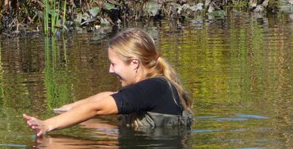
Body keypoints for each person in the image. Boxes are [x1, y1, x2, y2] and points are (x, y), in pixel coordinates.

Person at [23, 28, 193, 137]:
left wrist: (47, 125)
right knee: (90, 123)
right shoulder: (157, 85)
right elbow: (108, 96)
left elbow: (97, 107)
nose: (110, 70)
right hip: (146, 141)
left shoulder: (152, 88)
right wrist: (70, 107)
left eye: (114, 64)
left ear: (134, 63)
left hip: (145, 148)